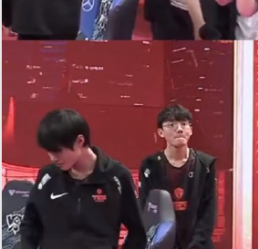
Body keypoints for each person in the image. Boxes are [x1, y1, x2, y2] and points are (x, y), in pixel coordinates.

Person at [20, 109, 147, 249]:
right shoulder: (47, 177)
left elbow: (137, 233)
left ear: (79, 141)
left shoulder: (118, 176)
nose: (52, 158)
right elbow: (30, 225)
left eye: (57, 151)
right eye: (49, 152)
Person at [139, 105, 217, 249]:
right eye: (172, 125)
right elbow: (146, 208)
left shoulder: (205, 164)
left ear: (191, 130)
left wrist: (196, 245)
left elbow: (208, 212)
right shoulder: (150, 165)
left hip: (198, 245)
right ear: (161, 132)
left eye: (184, 124)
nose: (179, 129)